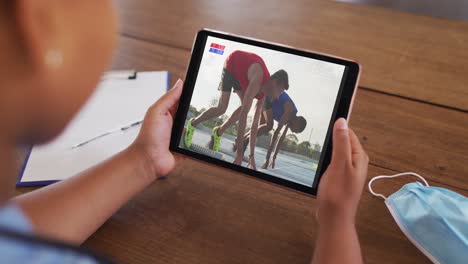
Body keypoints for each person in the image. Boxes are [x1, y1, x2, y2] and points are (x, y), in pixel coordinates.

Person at [0, 1, 368, 263]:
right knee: (228, 112)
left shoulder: (285, 105)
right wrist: (337, 221)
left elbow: (12, 233)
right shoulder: (265, 83)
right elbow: (248, 114)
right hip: (234, 72)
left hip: (236, 85)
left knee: (233, 114)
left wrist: (143, 160)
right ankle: (203, 127)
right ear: (38, 23)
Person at [183, 50, 289, 169]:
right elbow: (243, 117)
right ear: (274, 82)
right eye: (280, 91)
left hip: (243, 75)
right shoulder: (258, 79)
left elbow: (254, 126)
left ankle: (218, 131)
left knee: (245, 106)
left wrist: (251, 155)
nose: (279, 96)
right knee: (222, 108)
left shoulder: (263, 95)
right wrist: (239, 155)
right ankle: (192, 124)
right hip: (232, 64)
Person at [227, 91, 307, 170]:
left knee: (261, 128)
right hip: (268, 96)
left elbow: (281, 138)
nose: (293, 132)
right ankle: (242, 142)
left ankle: (240, 141)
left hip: (270, 106)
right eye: (296, 131)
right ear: (297, 124)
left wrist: (274, 158)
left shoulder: (289, 122)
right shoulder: (289, 111)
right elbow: (276, 134)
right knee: (269, 126)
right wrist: (267, 159)